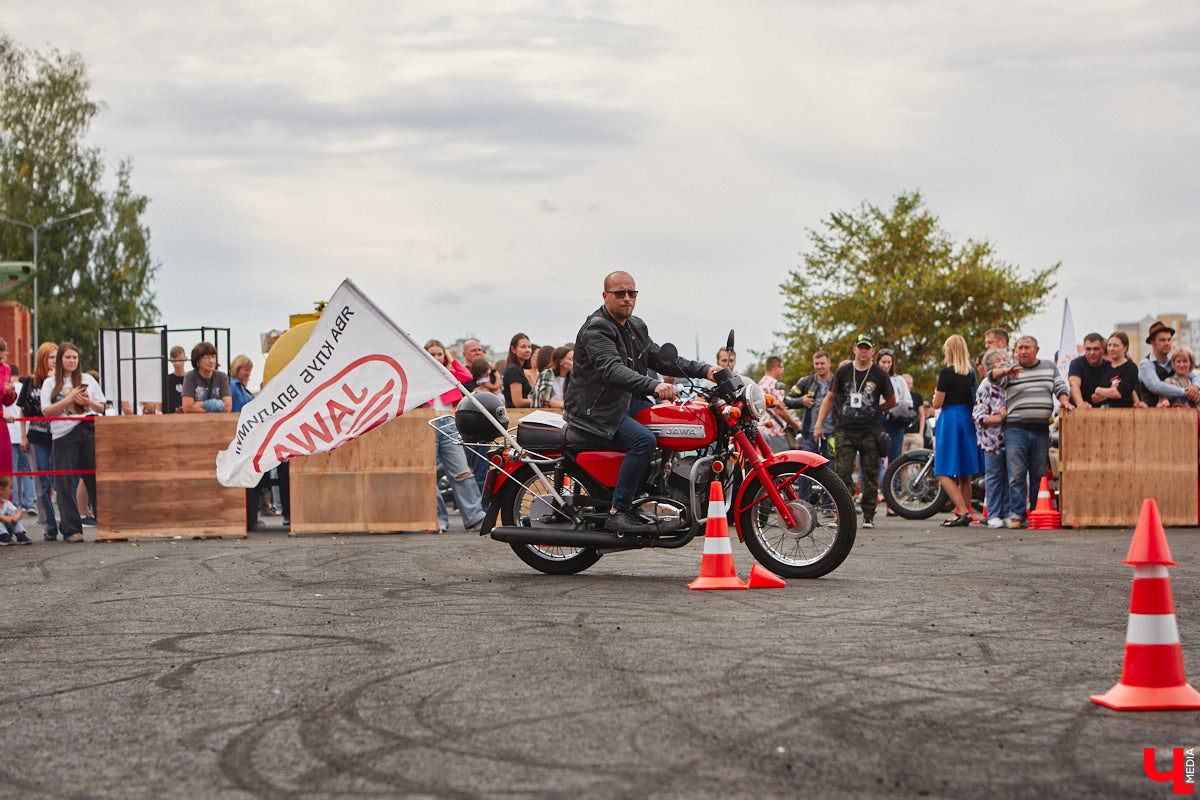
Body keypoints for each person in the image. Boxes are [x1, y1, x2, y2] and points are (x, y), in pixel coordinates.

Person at [563, 271, 715, 533]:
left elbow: (661, 359)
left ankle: (659, 491)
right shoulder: (596, 329)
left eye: (631, 293)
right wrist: (654, 385)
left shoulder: (636, 326)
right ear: (605, 296)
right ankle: (618, 510)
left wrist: (707, 370)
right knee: (643, 440)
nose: (626, 298)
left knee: (672, 423)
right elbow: (612, 369)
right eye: (619, 293)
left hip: (622, 403)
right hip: (596, 410)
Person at [988, 335, 1072, 528]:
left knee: (1038, 474)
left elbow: (1060, 386)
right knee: (1016, 474)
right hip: (1015, 429)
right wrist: (1005, 371)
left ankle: (1036, 513)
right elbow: (992, 379)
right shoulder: (1011, 370)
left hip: (1041, 430)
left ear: (1037, 350)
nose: (1023, 351)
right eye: (1019, 348)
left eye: (1027, 347)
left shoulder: (1049, 367)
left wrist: (1065, 399)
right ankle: (1017, 515)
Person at [813, 334, 896, 528]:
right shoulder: (843, 371)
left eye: (867, 348)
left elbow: (891, 401)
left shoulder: (879, 373)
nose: (863, 351)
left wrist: (876, 410)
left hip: (870, 430)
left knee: (869, 473)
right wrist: (819, 424)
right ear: (854, 349)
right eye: (861, 347)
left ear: (873, 351)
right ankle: (843, 514)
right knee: (842, 473)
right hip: (845, 429)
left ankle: (868, 515)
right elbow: (830, 398)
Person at [41, 342, 105, 543]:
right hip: (63, 434)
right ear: (61, 359)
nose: (71, 361)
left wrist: (88, 403)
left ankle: (106, 527)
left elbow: (102, 407)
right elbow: (46, 411)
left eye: (75, 357)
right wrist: (69, 399)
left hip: (88, 429)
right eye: (68, 357)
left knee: (95, 480)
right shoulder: (50, 382)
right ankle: (71, 529)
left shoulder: (88, 379)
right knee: (65, 483)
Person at [424, 340, 484, 532]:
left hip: (449, 423)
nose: (436, 358)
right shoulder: (420, 376)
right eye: (431, 354)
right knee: (428, 475)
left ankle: (475, 517)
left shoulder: (448, 374)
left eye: (439, 354)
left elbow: (466, 376)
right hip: (426, 424)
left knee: (462, 472)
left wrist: (451, 359)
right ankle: (437, 518)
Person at [930, 335, 983, 527]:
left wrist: (936, 394)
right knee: (965, 473)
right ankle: (964, 511)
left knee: (942, 470)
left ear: (949, 351)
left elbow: (937, 403)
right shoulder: (971, 373)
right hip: (966, 418)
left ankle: (962, 511)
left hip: (950, 420)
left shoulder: (945, 373)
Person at [21, 343, 58, 540]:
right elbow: (22, 410)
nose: (54, 361)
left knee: (61, 481)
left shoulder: (62, 382)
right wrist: (23, 436)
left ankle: (70, 523)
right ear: (43, 359)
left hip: (60, 435)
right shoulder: (30, 382)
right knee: (42, 482)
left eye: (56, 357)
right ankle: (49, 525)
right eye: (51, 357)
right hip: (36, 436)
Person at [973, 348, 1010, 528]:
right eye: (998, 361)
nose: (1003, 362)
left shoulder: (1011, 383)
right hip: (992, 440)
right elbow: (979, 415)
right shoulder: (986, 385)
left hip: (1011, 438)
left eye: (1005, 359)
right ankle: (994, 513)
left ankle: (1007, 512)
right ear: (990, 366)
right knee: (994, 476)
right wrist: (999, 417)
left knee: (1010, 476)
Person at [875, 349, 914, 488]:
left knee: (895, 457)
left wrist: (895, 406)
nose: (886, 365)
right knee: (875, 457)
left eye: (888, 362)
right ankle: (876, 490)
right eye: (883, 362)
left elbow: (908, 402)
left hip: (895, 419)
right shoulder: (873, 378)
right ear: (878, 362)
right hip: (878, 418)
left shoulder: (899, 380)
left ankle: (894, 490)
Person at [1138, 320, 1200, 408]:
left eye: (1169, 339)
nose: (1167, 343)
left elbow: (1192, 375)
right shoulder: (1146, 364)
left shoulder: (1174, 360)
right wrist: (1186, 392)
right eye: (1162, 340)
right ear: (1152, 343)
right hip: (1152, 414)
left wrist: (1195, 386)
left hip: (1175, 412)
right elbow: (1156, 386)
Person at [786, 350, 835, 456]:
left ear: (829, 363)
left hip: (832, 433)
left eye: (822, 363)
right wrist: (801, 401)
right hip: (810, 434)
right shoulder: (806, 382)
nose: (819, 366)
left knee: (832, 469)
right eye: (816, 364)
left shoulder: (836, 382)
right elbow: (787, 400)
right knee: (808, 468)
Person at [757, 356, 800, 451]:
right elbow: (780, 411)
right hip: (776, 433)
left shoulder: (760, 384)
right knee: (782, 464)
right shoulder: (776, 385)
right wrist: (795, 425)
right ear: (776, 367)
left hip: (762, 431)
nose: (783, 371)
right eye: (782, 368)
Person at [181, 342, 232, 413]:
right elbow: (187, 407)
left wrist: (198, 405)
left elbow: (227, 407)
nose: (211, 361)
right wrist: (212, 406)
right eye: (206, 357)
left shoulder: (222, 377)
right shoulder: (190, 377)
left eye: (213, 357)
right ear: (197, 361)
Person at [1092, 332, 1138, 408]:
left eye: (1115, 346)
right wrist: (1109, 391)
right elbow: (1093, 398)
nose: (1111, 349)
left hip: (1124, 412)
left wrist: (1099, 390)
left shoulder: (1130, 367)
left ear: (1125, 348)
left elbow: (1118, 394)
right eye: (1109, 345)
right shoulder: (1103, 367)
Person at [1067, 333, 1110, 408]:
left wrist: (1104, 395)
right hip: (1077, 409)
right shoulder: (1076, 363)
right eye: (1088, 349)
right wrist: (1081, 403)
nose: (1092, 353)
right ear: (1084, 348)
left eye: (1096, 349)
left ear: (1103, 349)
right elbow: (1074, 385)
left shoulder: (1109, 366)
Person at [535, 345, 573, 410]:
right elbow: (551, 402)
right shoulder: (547, 375)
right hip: (548, 415)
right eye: (571, 359)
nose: (574, 362)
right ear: (560, 361)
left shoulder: (573, 377)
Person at [502, 333, 534, 408]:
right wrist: (540, 402)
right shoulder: (513, 370)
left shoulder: (519, 369)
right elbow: (518, 402)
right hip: (516, 414)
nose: (527, 350)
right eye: (523, 347)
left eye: (529, 347)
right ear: (513, 349)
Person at [0, 476, 31, 545]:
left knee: (13, 512)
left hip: (7, 528)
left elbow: (18, 512)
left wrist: (16, 517)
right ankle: (2, 536)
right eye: (10, 488)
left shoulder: (7, 503)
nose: (12, 491)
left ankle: (19, 533)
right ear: (1, 490)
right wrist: (5, 517)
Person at [900, 374, 926, 452]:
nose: (911, 386)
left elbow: (922, 415)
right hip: (902, 434)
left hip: (915, 434)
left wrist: (921, 433)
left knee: (915, 459)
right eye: (909, 383)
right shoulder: (898, 397)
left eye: (912, 383)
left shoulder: (917, 396)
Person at [164, 345, 187, 413]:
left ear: (185, 359)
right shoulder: (167, 380)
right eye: (175, 360)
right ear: (170, 360)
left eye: (180, 360)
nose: (177, 363)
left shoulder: (191, 379)